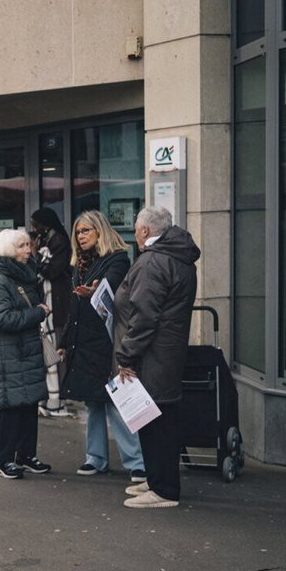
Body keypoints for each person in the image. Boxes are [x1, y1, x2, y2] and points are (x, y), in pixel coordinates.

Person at [113, 205, 200, 509]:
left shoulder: (153, 262)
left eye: (136, 229)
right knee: (158, 419)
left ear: (146, 231)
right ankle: (156, 480)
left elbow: (144, 316)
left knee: (156, 423)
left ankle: (163, 490)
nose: (134, 234)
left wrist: (125, 355)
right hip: (166, 352)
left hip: (152, 354)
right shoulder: (178, 256)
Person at [59, 210, 146, 485]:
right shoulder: (79, 264)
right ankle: (95, 458)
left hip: (108, 340)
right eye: (78, 232)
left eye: (86, 230)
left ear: (100, 231)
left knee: (116, 402)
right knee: (92, 402)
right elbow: (74, 309)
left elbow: (110, 291)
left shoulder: (118, 258)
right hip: (83, 341)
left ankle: (136, 462)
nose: (80, 236)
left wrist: (95, 290)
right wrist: (64, 343)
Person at [0, 228, 53, 480]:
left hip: (27, 349)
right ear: (9, 251)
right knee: (12, 406)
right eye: (22, 246)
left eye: (27, 245)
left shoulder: (24, 274)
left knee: (29, 403)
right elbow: (1, 319)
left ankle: (25, 455)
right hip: (9, 353)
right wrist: (38, 312)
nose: (28, 250)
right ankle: (3, 460)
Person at [29, 207, 73, 418]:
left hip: (57, 304)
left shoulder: (59, 243)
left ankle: (57, 397)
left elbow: (51, 270)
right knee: (49, 350)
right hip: (48, 303)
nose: (33, 229)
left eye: (35, 224)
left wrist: (37, 256)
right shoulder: (48, 242)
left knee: (55, 350)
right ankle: (49, 396)